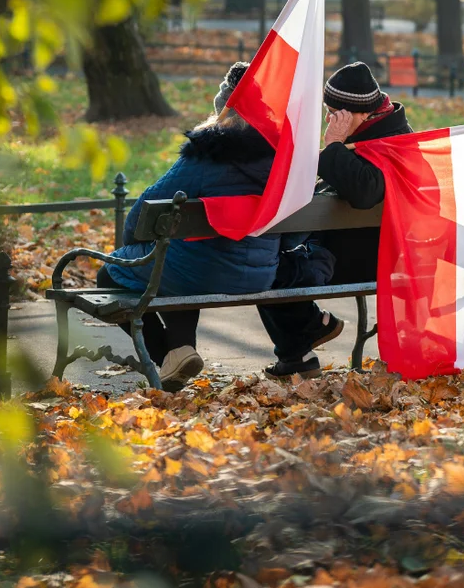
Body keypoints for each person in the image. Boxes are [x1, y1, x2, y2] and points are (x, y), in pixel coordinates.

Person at [97, 62, 280, 391]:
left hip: (203, 271)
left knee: (110, 274)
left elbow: (145, 212)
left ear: (223, 110)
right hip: (263, 273)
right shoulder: (281, 156)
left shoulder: (207, 153)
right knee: (182, 255)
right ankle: (178, 357)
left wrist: (131, 249)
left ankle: (168, 355)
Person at [257, 61, 413, 378]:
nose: (330, 120)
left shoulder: (393, 143)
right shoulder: (375, 131)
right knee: (265, 266)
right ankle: (301, 347)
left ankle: (305, 339)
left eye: (336, 113)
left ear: (361, 112)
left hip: (369, 258)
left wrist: (333, 144)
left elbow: (366, 192)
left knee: (265, 271)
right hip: (340, 248)